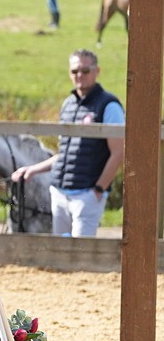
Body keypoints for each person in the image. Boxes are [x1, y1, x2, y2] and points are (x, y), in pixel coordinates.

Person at [11, 49, 125, 237]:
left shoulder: (109, 106)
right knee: (61, 254)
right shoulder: (68, 105)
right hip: (60, 192)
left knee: (80, 255)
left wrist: (98, 190)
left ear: (97, 71)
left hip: (86, 195)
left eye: (85, 70)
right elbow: (65, 154)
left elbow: (118, 153)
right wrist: (32, 169)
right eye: (74, 71)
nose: (80, 75)